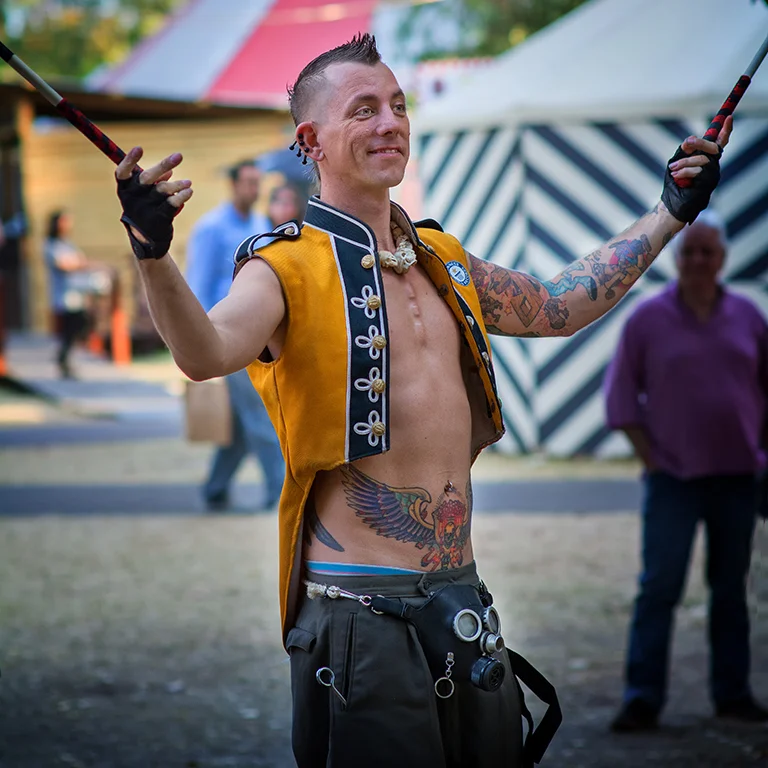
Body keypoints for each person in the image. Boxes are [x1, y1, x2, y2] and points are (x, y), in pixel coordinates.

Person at [112, 34, 730, 768]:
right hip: (361, 613)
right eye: (363, 109)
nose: (390, 123)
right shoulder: (283, 268)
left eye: (398, 105)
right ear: (310, 140)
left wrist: (668, 212)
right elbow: (205, 352)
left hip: (461, 595)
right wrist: (152, 251)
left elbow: (558, 305)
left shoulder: (442, 258)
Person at [605, 211, 768, 732]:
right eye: (689, 251)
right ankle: (642, 699)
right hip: (672, 481)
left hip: (738, 479)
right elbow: (621, 400)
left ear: (722, 258)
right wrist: (653, 461)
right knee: (659, 589)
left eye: (707, 252)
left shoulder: (748, 316)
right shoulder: (646, 320)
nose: (698, 260)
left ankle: (733, 695)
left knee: (731, 591)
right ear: (676, 258)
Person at [185, 160, 285, 512]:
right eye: (248, 182)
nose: (255, 189)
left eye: (258, 182)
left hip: (259, 334)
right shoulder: (211, 228)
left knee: (242, 424)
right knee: (261, 417)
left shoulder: (259, 225)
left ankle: (215, 487)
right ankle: (280, 494)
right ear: (233, 184)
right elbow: (197, 286)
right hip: (225, 335)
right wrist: (196, 344)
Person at [45, 210, 92, 378]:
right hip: (63, 296)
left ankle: (64, 359)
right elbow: (65, 265)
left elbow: (80, 261)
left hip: (76, 294)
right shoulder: (51, 244)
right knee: (68, 331)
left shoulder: (67, 243)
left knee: (80, 326)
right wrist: (77, 264)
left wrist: (78, 264)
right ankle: (63, 360)